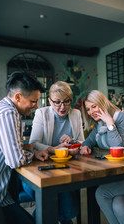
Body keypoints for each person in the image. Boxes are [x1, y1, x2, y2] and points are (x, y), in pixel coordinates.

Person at [80, 90, 124, 224]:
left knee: (101, 193)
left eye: (94, 106)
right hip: (119, 174)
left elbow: (118, 147)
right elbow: (89, 140)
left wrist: (110, 124)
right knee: (119, 206)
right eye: (88, 109)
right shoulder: (99, 124)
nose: (91, 111)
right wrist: (85, 146)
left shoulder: (121, 117)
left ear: (102, 103)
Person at [22, 80, 85, 224]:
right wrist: (53, 149)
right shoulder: (41, 113)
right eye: (57, 102)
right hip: (43, 166)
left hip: (67, 165)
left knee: (65, 193)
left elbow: (82, 141)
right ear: (50, 101)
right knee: (58, 192)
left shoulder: (76, 113)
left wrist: (73, 140)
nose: (62, 107)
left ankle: (45, 218)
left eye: (66, 101)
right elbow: (34, 143)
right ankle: (64, 220)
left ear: (71, 100)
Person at [0, 71, 49, 224]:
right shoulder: (8, 113)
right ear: (18, 97)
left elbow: (3, 146)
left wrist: (28, 149)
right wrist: (29, 151)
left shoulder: (2, 107)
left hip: (1, 193)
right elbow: (15, 160)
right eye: (33, 101)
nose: (36, 106)